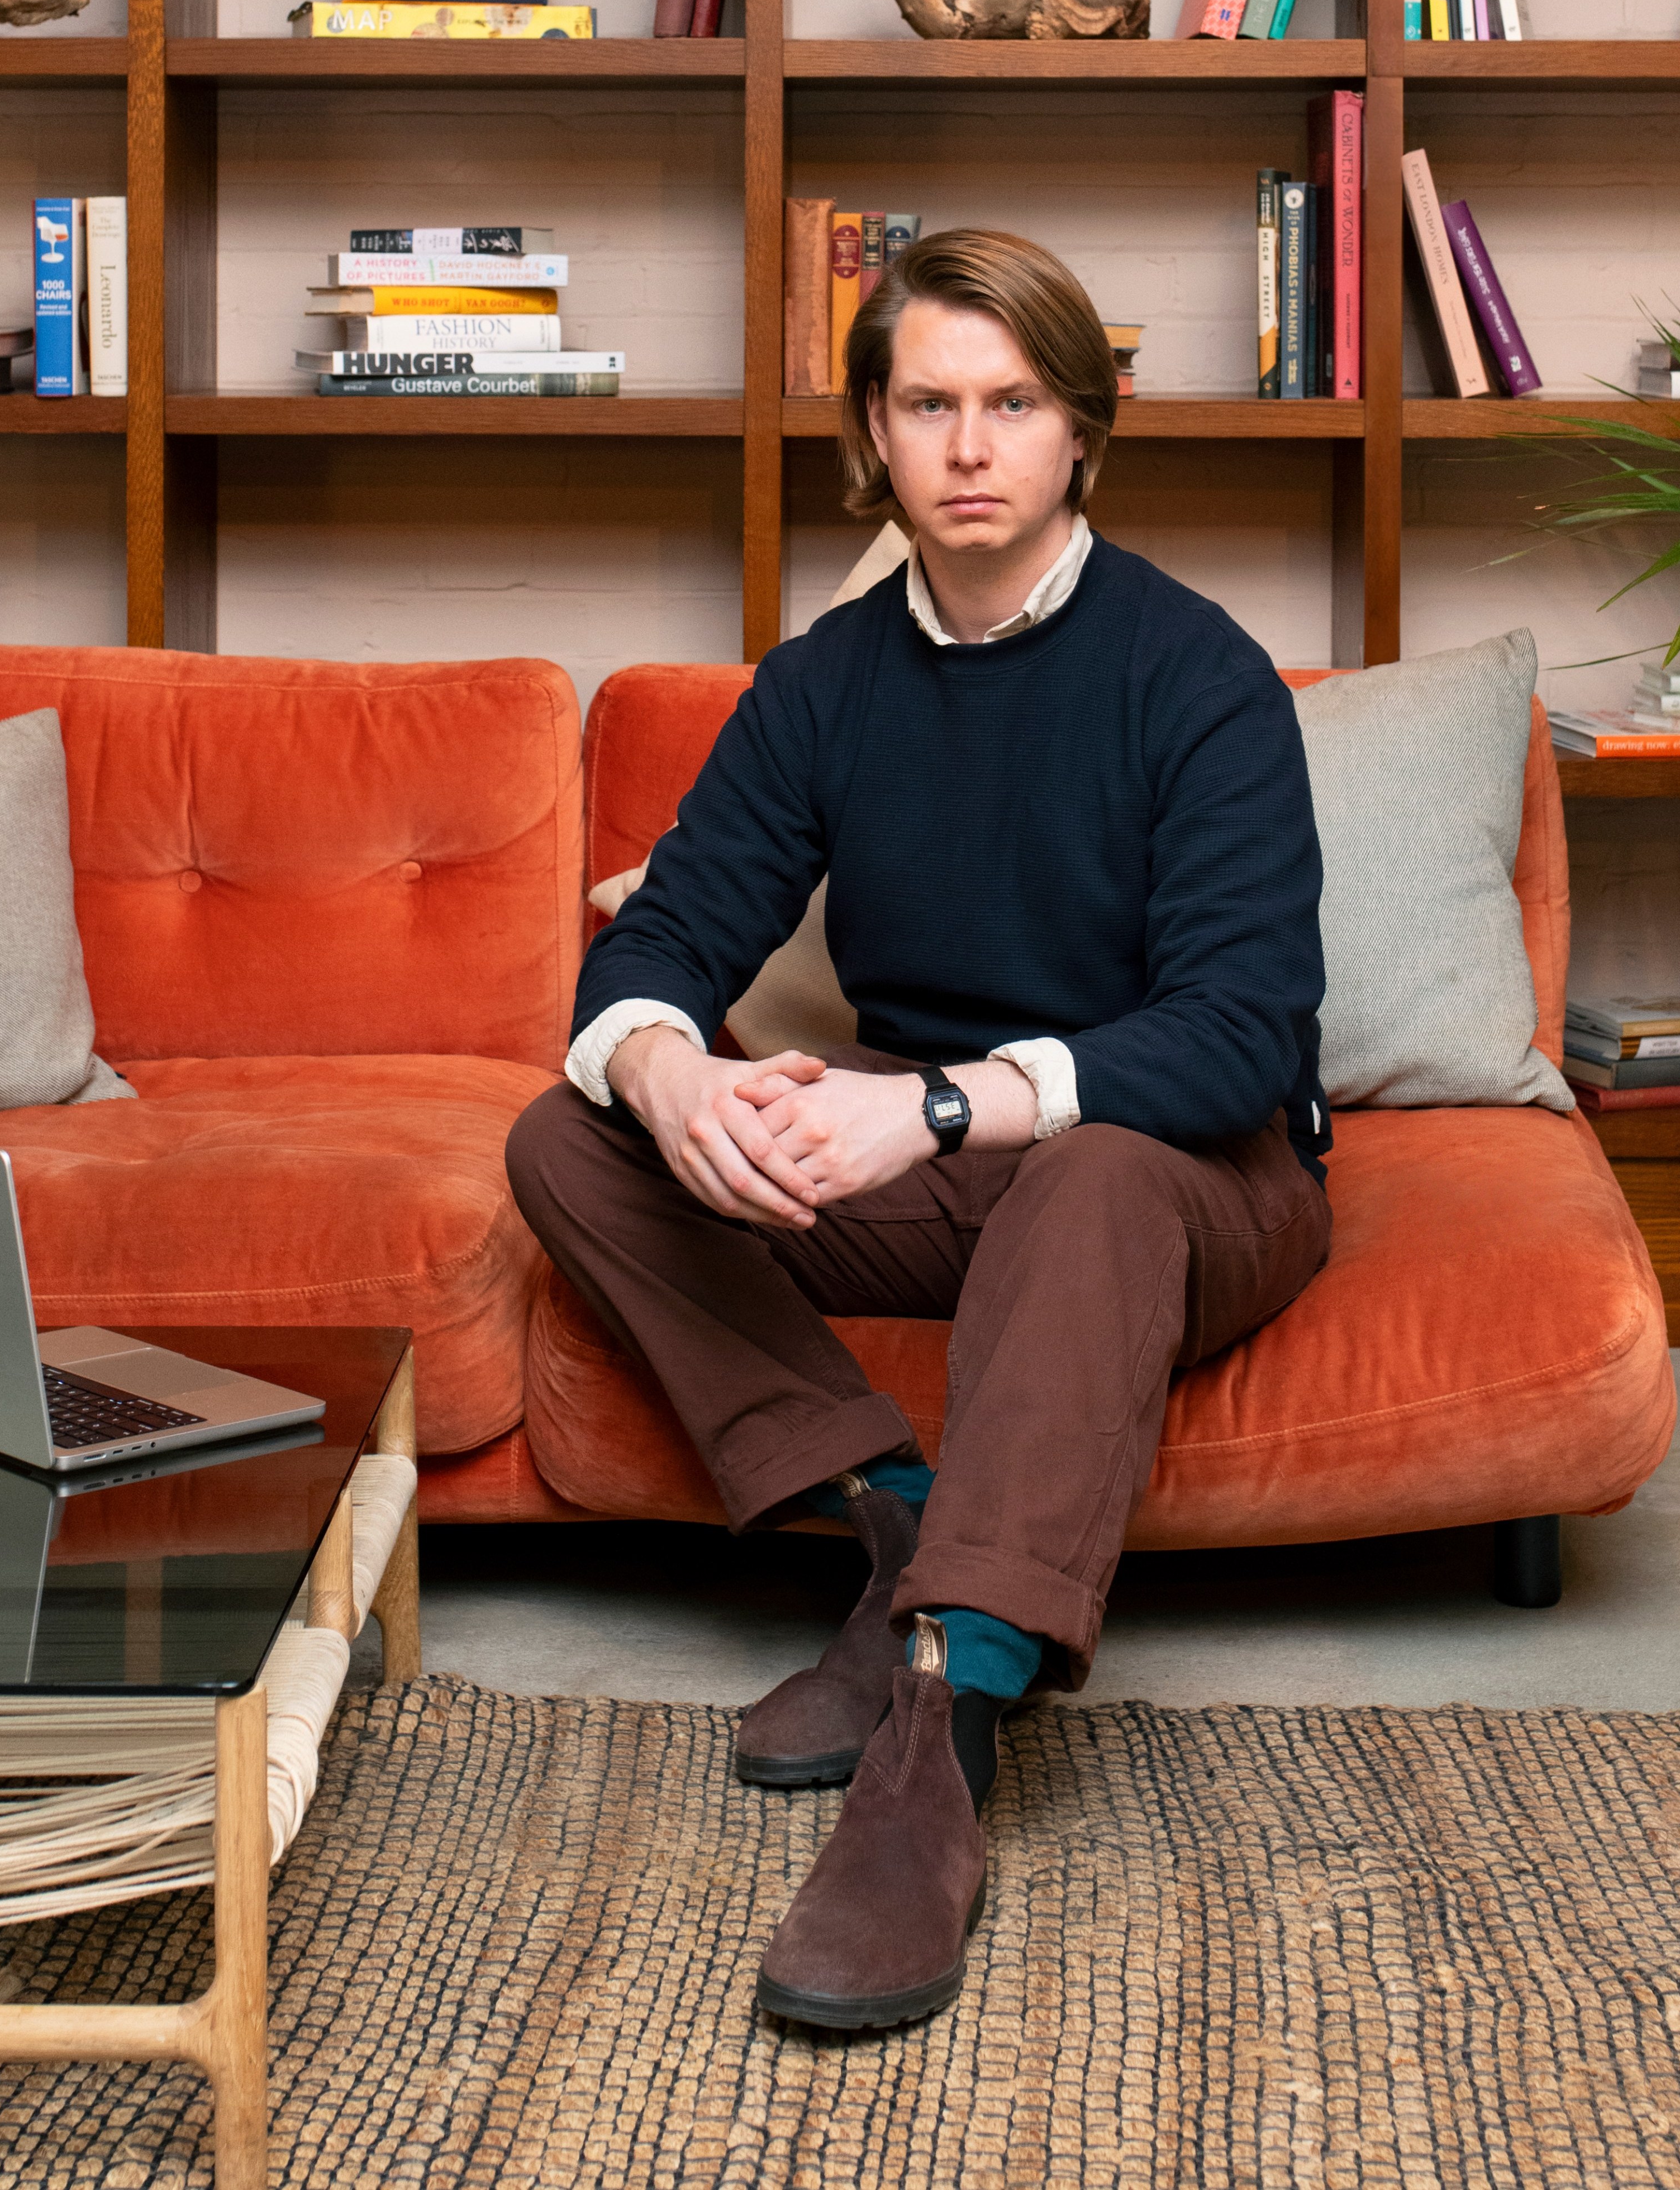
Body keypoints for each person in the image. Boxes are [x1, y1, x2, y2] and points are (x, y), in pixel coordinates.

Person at [504, 227, 1332, 2033]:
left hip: (1191, 1170)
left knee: (1095, 1174)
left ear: (1081, 437)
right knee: (568, 1139)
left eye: (1013, 404)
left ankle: (938, 1734)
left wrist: (942, 1105)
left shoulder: (1197, 677)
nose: (970, 448)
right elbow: (662, 943)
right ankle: (894, 1519)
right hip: (944, 1166)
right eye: (930, 404)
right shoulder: (827, 687)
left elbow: (1238, 1033)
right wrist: (670, 1072)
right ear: (873, 437)